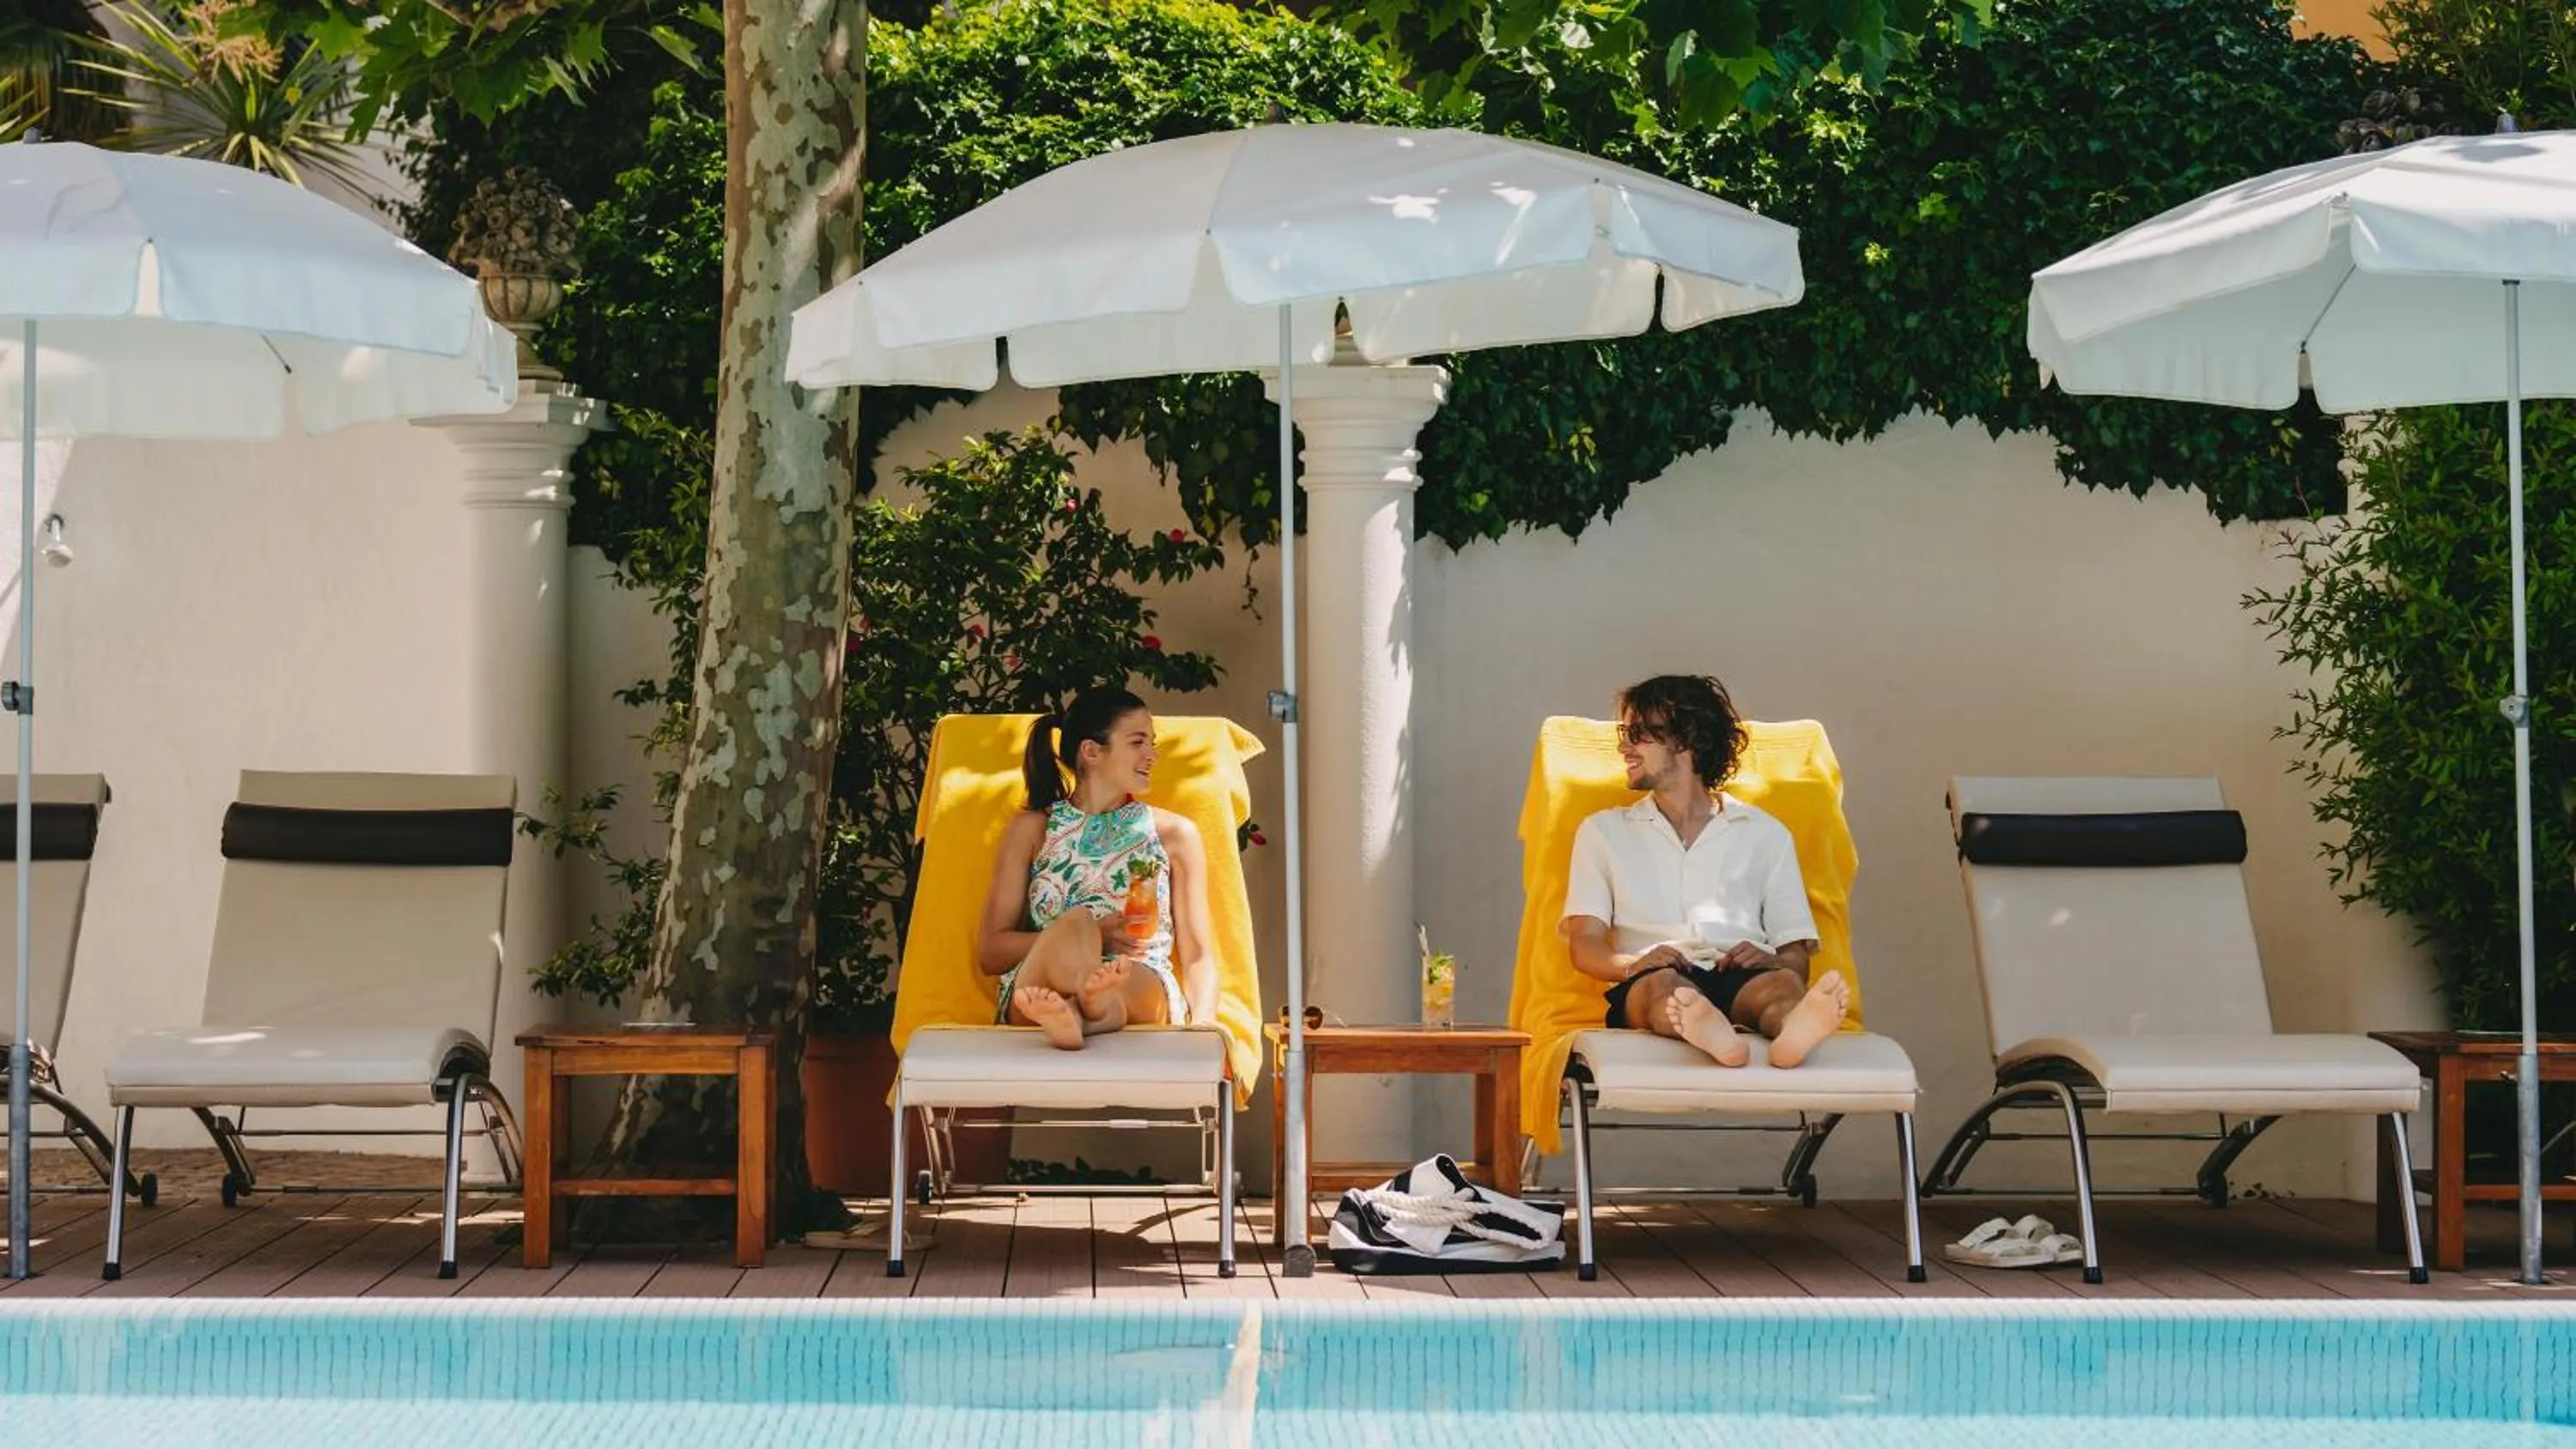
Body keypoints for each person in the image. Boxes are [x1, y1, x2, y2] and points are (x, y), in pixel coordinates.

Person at [1559, 674, 1849, 1068]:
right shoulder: (1602, 832)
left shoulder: (1766, 833)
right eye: (1624, 734)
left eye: (1638, 734)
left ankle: (1791, 1032)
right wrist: (1630, 965)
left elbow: (1795, 959)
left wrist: (1772, 961)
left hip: (1739, 972)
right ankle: (1705, 1028)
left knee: (1782, 985)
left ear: (1688, 739)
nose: (1624, 747)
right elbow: (1585, 943)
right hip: (1654, 973)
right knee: (1664, 989)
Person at [977, 687, 1218, 1049]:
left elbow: (1198, 954)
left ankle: (1079, 1013)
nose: (1152, 756)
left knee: (1118, 978)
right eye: (1138, 742)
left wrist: (1206, 1027)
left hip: (1136, 979)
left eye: (1152, 744)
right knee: (1076, 923)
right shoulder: (1033, 829)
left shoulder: (1174, 835)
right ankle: (1090, 1001)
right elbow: (991, 952)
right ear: (1090, 751)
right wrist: (1093, 937)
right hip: (1043, 984)